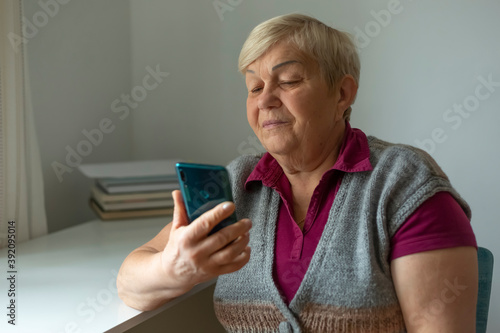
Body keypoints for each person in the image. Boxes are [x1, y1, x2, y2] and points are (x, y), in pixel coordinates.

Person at [117, 14, 478, 332]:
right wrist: (174, 268)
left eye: (288, 81)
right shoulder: (236, 183)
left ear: (342, 93)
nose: (265, 99)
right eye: (254, 87)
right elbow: (129, 282)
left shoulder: (403, 183)